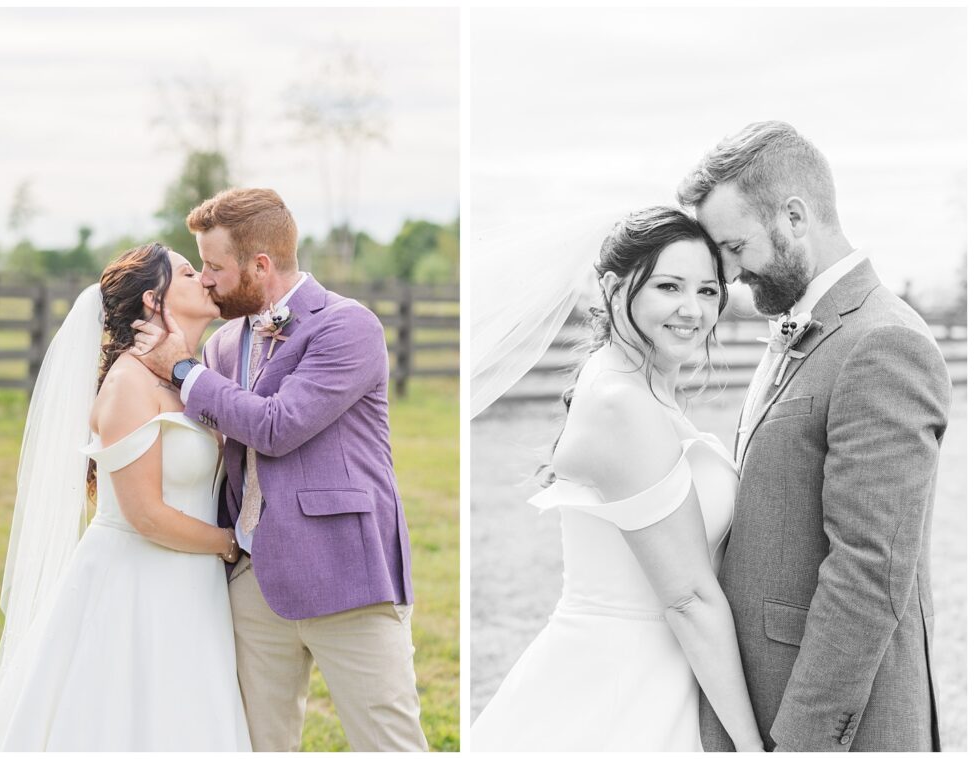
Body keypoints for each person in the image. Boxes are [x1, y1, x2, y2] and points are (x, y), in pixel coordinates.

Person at [677, 121, 951, 751]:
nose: (731, 273)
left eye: (737, 246)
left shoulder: (884, 343)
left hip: (838, 722)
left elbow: (868, 571)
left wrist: (802, 744)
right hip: (768, 691)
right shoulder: (802, 326)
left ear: (795, 217)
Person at [130, 188, 427, 752]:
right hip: (252, 579)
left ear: (260, 265)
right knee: (258, 744)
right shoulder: (221, 348)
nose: (209, 280)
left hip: (348, 575)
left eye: (215, 266)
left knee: (388, 741)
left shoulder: (348, 327)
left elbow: (277, 426)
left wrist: (183, 371)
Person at [469, 207, 764, 752]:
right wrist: (752, 746)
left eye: (707, 290)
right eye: (669, 286)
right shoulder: (620, 402)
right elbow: (689, 599)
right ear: (611, 288)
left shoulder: (633, 379)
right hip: (624, 684)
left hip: (664, 670)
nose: (691, 309)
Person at [0, 243, 251, 751]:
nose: (205, 279)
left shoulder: (194, 375)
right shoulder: (128, 385)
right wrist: (233, 544)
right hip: (137, 583)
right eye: (189, 273)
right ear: (153, 300)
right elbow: (146, 515)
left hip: (191, 582)